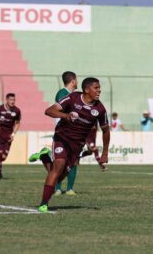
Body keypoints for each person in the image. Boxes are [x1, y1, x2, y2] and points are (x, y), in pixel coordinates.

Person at [37, 77, 110, 213]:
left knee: (60, 176)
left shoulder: (100, 109)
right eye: (96, 88)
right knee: (58, 165)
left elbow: (106, 130)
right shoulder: (73, 98)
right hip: (62, 138)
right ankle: (43, 204)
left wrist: (105, 153)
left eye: (99, 88)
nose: (99, 90)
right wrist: (66, 116)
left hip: (77, 146)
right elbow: (49, 111)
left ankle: (45, 158)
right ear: (86, 89)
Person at [28, 71, 80, 196]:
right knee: (60, 161)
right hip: (63, 132)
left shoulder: (73, 95)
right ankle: (57, 187)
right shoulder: (63, 93)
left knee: (73, 160)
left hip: (73, 132)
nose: (77, 82)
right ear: (73, 81)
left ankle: (69, 189)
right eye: (76, 80)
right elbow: (62, 110)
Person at [0, 93, 21, 180]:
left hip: (8, 135)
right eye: (11, 100)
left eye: (14, 100)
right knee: (0, 153)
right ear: (7, 100)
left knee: (3, 157)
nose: (13, 102)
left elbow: (17, 123)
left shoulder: (17, 111)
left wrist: (13, 134)